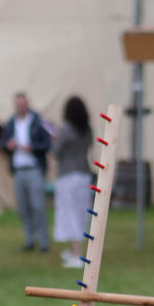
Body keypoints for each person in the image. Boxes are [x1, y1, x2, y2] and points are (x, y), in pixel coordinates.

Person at [0, 92, 51, 252]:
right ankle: (29, 239)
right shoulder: (10, 123)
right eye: (18, 104)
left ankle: (43, 241)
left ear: (27, 104)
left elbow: (47, 143)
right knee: (23, 207)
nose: (21, 107)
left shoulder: (38, 121)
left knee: (38, 206)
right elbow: (1, 142)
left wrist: (33, 148)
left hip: (34, 169)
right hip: (18, 170)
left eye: (23, 104)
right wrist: (8, 146)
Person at [52, 96, 93, 269]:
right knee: (80, 212)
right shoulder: (87, 129)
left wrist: (53, 139)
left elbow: (56, 152)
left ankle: (77, 255)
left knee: (70, 214)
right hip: (84, 174)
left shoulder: (66, 129)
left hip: (69, 175)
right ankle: (73, 250)